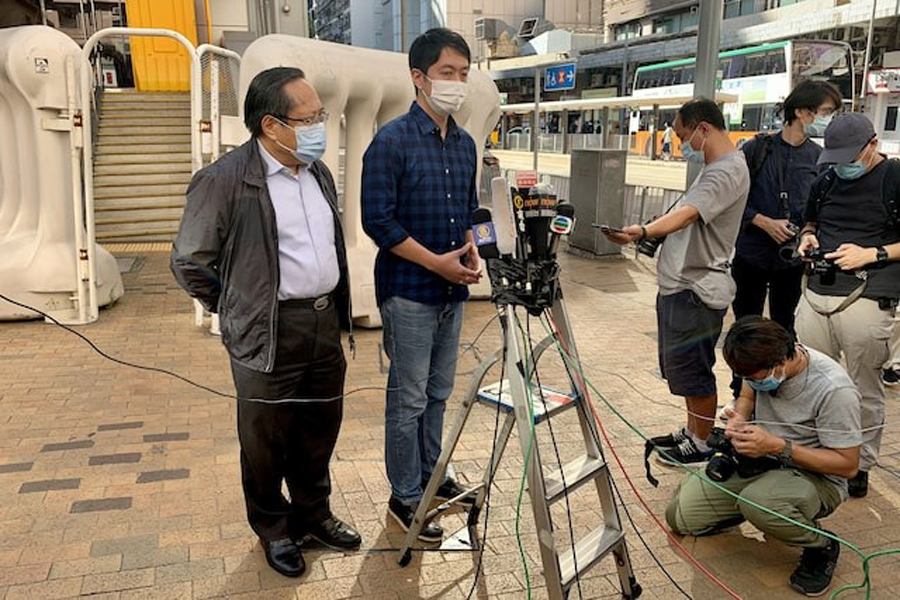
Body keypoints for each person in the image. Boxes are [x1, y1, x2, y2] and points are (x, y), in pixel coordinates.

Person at [171, 67, 360, 577]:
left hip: (323, 324)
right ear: (272, 126)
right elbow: (189, 260)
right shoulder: (225, 180)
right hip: (267, 331)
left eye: (321, 114)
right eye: (311, 117)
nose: (321, 125)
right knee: (264, 439)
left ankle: (313, 514)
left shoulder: (315, 170)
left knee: (320, 428)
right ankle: (274, 528)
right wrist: (235, 308)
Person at [362, 28, 481, 542]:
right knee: (407, 398)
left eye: (463, 74)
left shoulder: (465, 141)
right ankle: (405, 494)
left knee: (438, 394)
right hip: (409, 291)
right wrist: (437, 263)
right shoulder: (390, 142)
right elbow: (379, 222)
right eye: (447, 73)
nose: (457, 83)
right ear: (419, 77)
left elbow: (471, 211)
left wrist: (475, 245)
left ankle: (433, 475)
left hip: (452, 292)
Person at [665, 316, 861, 597]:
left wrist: (778, 447)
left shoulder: (834, 390)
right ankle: (750, 507)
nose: (753, 383)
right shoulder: (760, 366)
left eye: (756, 378)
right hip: (761, 460)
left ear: (781, 361)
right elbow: (747, 396)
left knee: (760, 503)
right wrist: (739, 418)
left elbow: (848, 466)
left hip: (817, 478)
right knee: (681, 518)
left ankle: (821, 545)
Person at [604, 98, 750, 466]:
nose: (682, 145)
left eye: (683, 135)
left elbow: (686, 216)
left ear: (703, 129)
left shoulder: (725, 171)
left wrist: (642, 231)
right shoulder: (718, 167)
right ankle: (693, 432)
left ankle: (700, 445)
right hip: (684, 287)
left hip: (696, 291)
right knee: (682, 372)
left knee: (694, 373)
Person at [796, 112, 900, 498]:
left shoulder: (894, 178)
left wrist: (871, 254)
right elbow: (810, 221)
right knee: (811, 381)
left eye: (849, 159)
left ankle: (860, 463)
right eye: (835, 159)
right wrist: (808, 238)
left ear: (873, 145)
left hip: (869, 296)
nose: (843, 167)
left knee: (862, 388)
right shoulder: (826, 179)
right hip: (816, 293)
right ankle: (819, 455)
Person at [729, 81, 842, 398]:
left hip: (792, 260)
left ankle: (781, 386)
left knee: (784, 325)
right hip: (751, 254)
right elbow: (733, 200)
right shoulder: (756, 149)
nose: (828, 119)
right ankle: (742, 391)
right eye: (825, 112)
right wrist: (762, 221)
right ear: (802, 111)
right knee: (746, 324)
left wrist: (807, 231)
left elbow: (820, 210)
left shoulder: (820, 158)